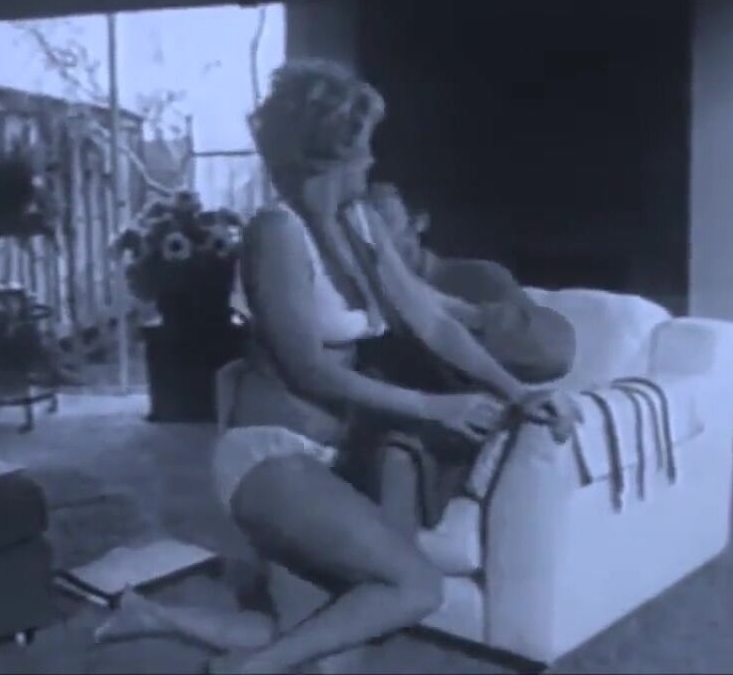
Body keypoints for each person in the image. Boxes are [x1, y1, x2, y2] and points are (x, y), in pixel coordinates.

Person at [96, 60, 579, 675]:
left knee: (322, 640)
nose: (373, 161)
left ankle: (151, 617)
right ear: (327, 156)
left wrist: (515, 391)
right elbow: (308, 370)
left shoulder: (361, 223)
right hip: (267, 455)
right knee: (416, 588)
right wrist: (436, 407)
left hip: (329, 457)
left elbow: (432, 321)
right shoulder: (275, 233)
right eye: (365, 147)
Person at [358, 182, 578, 533]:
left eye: (382, 213)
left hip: (451, 432)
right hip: (379, 418)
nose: (372, 230)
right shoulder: (353, 284)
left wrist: (458, 312)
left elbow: (552, 348)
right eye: (363, 217)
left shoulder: (475, 276)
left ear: (418, 222)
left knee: (398, 456)